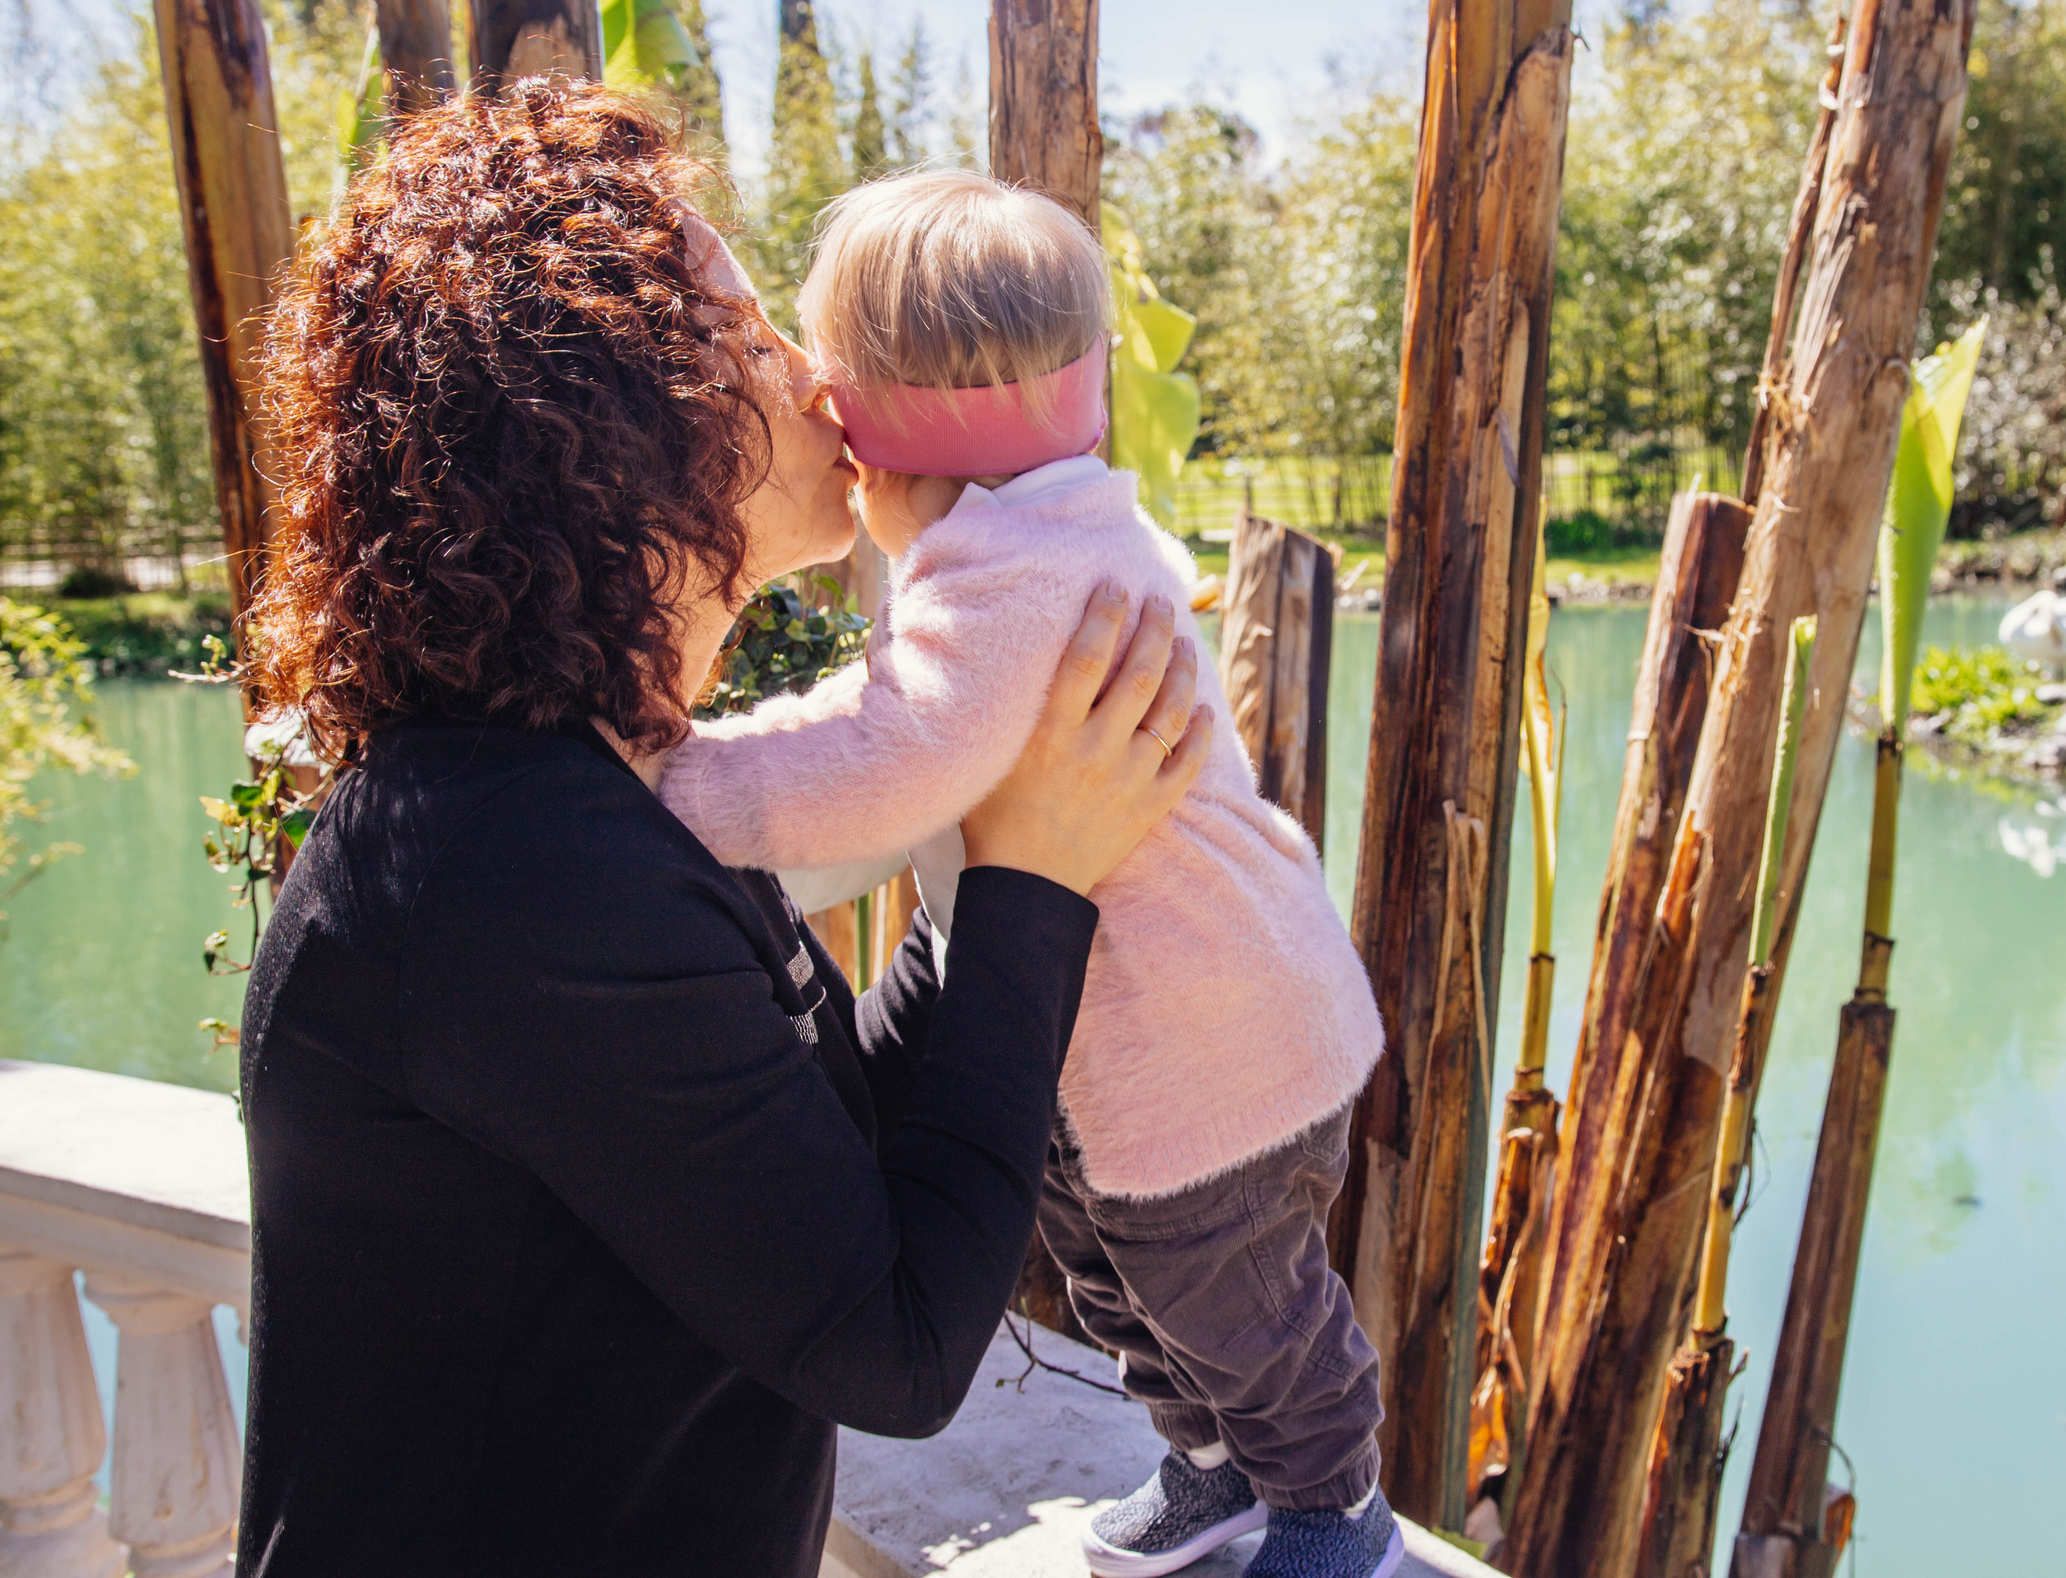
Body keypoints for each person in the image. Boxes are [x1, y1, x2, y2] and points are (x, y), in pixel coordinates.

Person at [231, 82, 1208, 1578]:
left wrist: (1000, 839)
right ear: (606, 426)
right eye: (749, 337)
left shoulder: (557, 801)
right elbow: (893, 1343)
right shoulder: (512, 878)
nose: (818, 375)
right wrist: (1033, 883)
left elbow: (815, 1159)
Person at [653, 169, 1398, 1578]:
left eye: (827, 392)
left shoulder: (1013, 578)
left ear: (880, 441)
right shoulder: (1036, 537)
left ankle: (1326, 1498)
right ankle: (1214, 1468)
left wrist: (677, 787)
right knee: (1122, 1279)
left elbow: (888, 760)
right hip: (1148, 1049)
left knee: (1233, 1300)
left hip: (1213, 1050)